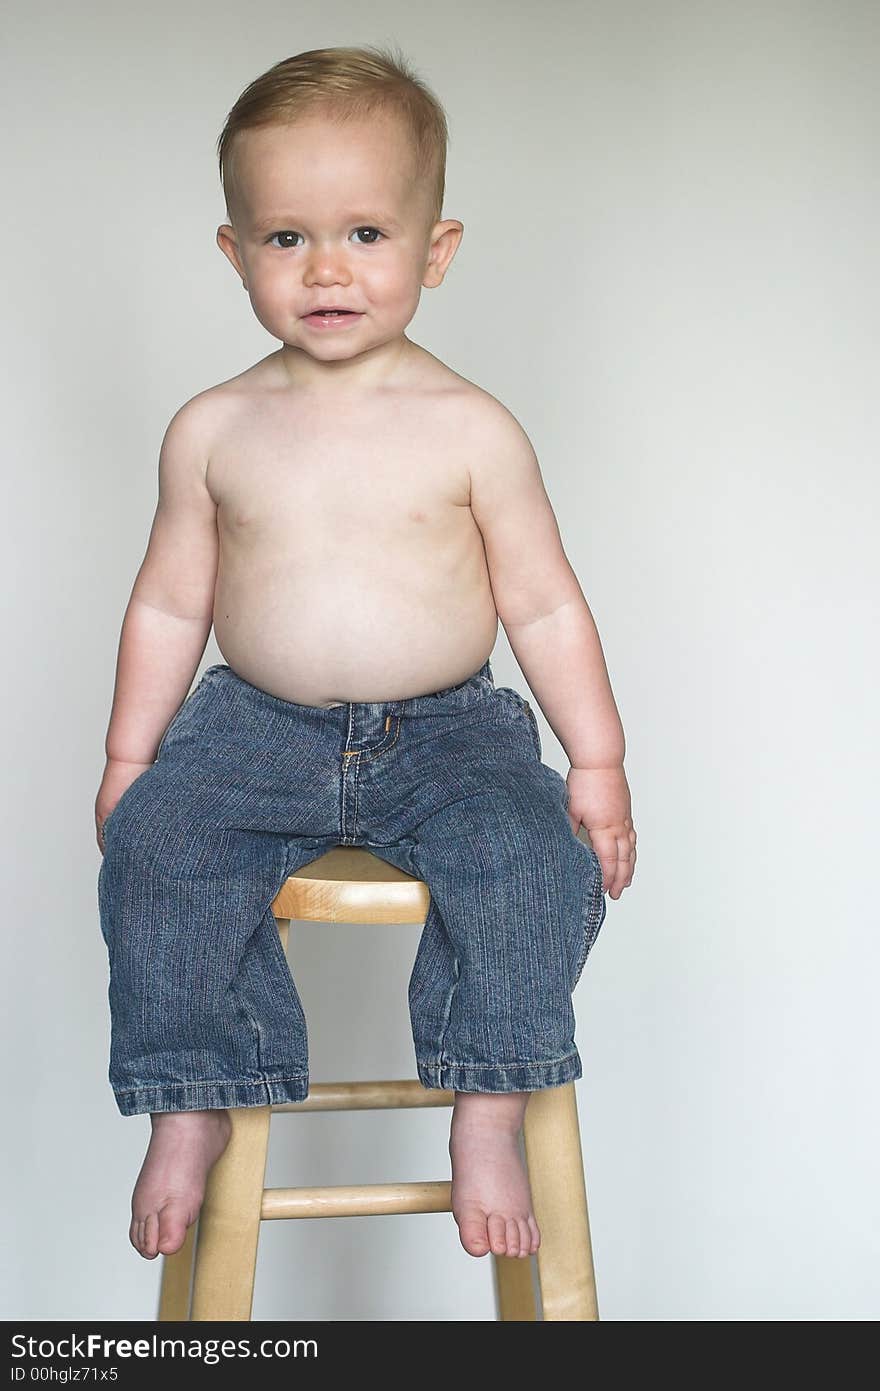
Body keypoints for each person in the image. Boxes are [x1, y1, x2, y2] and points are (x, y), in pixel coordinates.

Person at [95, 43, 637, 1269]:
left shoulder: (471, 427)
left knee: (527, 860)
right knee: (157, 850)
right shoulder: (214, 428)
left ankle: (486, 1101)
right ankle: (190, 1092)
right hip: (256, 730)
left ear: (433, 251)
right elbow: (169, 606)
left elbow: (544, 606)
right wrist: (133, 756)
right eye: (285, 238)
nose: (325, 268)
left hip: (447, 733)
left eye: (364, 234)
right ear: (235, 253)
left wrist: (594, 762)